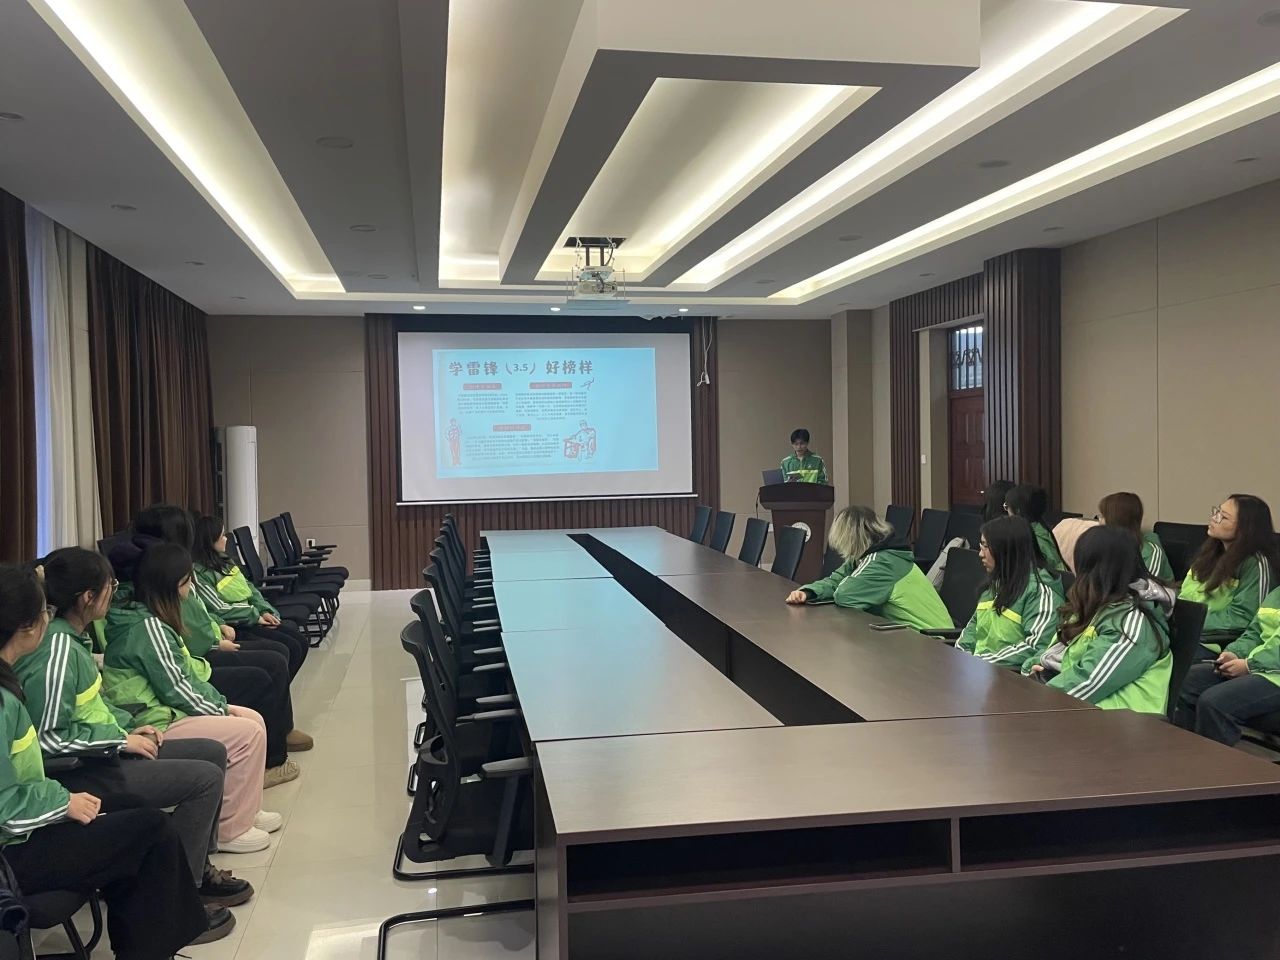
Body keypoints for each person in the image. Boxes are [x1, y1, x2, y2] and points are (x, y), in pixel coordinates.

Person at [0, 563, 211, 959]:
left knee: (133, 811)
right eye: (44, 611)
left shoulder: (8, 680)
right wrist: (63, 802)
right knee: (149, 830)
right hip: (11, 852)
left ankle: (147, 946)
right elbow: (5, 805)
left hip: (24, 828)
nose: (49, 618)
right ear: (25, 626)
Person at [22, 547, 253, 908]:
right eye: (110, 586)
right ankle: (179, 897)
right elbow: (48, 738)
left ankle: (194, 868)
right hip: (82, 770)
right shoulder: (59, 650)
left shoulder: (75, 639)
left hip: (101, 752)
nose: (115, 592)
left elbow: (94, 708)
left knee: (212, 752)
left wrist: (132, 726)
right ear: (87, 597)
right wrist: (119, 741)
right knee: (204, 779)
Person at [102, 543, 280, 853]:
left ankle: (247, 810)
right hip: (152, 720)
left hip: (164, 710)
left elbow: (183, 679)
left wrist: (220, 705)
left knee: (253, 719)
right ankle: (230, 828)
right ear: (174, 585)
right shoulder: (148, 627)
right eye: (187, 581)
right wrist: (219, 710)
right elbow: (176, 687)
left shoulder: (149, 616)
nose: (191, 587)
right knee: (247, 733)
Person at [128, 504, 309, 775]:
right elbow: (188, 634)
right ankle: (271, 760)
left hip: (206, 644)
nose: (226, 539)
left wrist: (252, 613)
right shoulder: (166, 578)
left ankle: (279, 730)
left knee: (283, 651)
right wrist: (219, 704)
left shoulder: (183, 567)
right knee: (268, 668)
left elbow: (206, 610)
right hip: (199, 653)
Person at [1024, 526, 1172, 714]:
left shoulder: (1131, 622)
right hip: (1079, 710)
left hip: (1117, 721)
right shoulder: (1095, 607)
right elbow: (1054, 651)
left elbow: (1089, 682)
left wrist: (1036, 696)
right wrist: (1030, 673)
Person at [785, 506, 952, 630]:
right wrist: (808, 592)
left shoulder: (884, 563)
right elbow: (836, 580)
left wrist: (838, 586)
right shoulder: (869, 556)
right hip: (907, 635)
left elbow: (844, 595)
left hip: (931, 641)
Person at [191, 514, 310, 683]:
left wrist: (265, 610)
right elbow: (220, 609)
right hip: (237, 624)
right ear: (210, 540)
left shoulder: (225, 561)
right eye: (222, 535)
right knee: (284, 650)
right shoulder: (198, 573)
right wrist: (255, 615)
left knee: (299, 643)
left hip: (253, 616)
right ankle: (275, 689)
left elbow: (250, 589)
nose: (226, 539)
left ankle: (279, 687)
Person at [1174, 584, 1280, 745]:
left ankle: (1213, 760)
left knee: (1215, 703)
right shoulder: (1276, 594)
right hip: (1257, 666)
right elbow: (1255, 633)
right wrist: (1235, 653)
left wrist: (1248, 665)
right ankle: (1185, 751)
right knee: (1187, 682)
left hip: (1274, 675)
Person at [956, 517, 1062, 670]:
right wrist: (961, 657)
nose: (980, 554)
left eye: (986, 546)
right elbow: (972, 630)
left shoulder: (1039, 592)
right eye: (981, 545)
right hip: (979, 671)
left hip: (1008, 676)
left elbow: (1036, 647)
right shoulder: (995, 585)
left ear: (1007, 550)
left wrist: (978, 663)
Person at [1179, 494, 1277, 654]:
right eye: (1217, 511)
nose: (1214, 518)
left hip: (1218, 644)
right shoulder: (1209, 554)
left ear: (1245, 528)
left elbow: (1243, 618)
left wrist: (1188, 621)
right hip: (1189, 632)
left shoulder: (1256, 564)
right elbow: (1187, 595)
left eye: (1223, 517)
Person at [1098, 491, 1172, 581]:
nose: (1099, 522)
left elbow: (1148, 586)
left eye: (1103, 517)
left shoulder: (1150, 553)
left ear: (1117, 520)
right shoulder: (1106, 547)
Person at [1005, 483, 1065, 571]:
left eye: (1007, 507)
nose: (1007, 513)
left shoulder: (1037, 541)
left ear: (1018, 511)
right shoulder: (1041, 529)